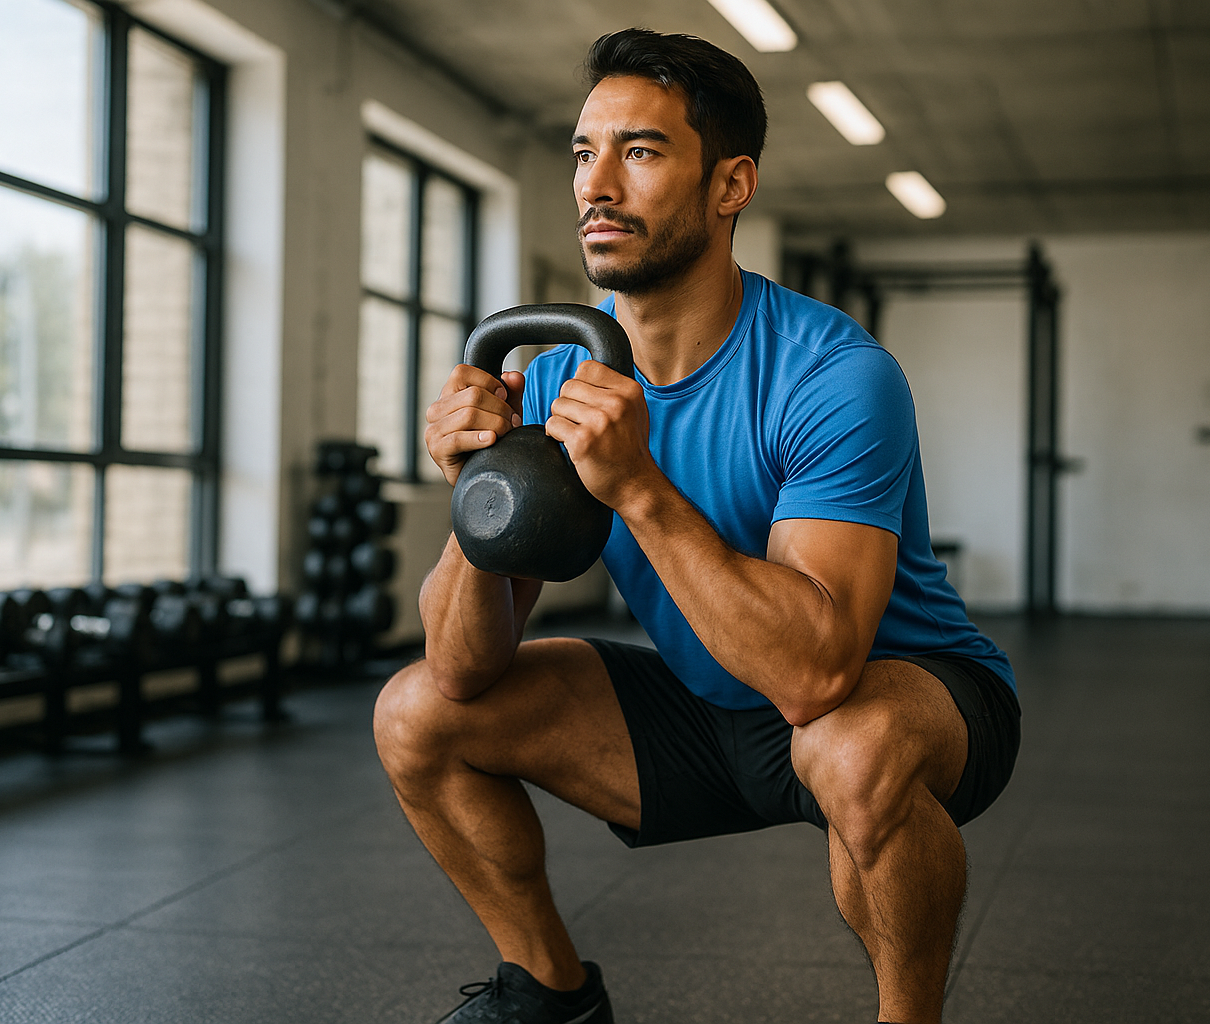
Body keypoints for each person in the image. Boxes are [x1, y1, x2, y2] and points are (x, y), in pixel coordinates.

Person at [374, 27, 1020, 1024]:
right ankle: (548, 994)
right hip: (707, 703)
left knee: (849, 748)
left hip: (891, 693)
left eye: (640, 151)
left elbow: (816, 675)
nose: (596, 186)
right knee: (417, 711)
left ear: (731, 186)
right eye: (584, 153)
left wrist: (639, 486)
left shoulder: (833, 375)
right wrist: (479, 500)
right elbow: (463, 669)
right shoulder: (556, 378)